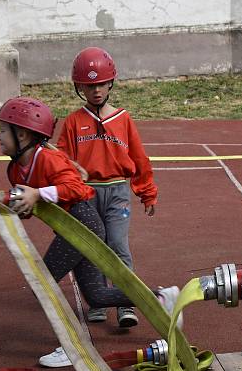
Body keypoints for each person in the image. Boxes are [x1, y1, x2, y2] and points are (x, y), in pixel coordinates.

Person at [0, 97, 180, 368]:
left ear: (22, 134)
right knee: (96, 296)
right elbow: (35, 205)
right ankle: (162, 297)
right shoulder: (15, 169)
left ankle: (71, 345)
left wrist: (37, 193)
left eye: (2, 131)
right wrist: (20, 206)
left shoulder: (47, 159)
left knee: (42, 284)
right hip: (72, 229)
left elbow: (79, 190)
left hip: (82, 226)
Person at [58, 47, 159, 328]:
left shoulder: (123, 119)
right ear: (79, 87)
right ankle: (99, 301)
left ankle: (127, 302)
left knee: (117, 245)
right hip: (85, 194)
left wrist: (147, 192)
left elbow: (139, 159)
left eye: (101, 83)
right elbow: (61, 162)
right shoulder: (72, 122)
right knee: (92, 248)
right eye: (89, 86)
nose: (97, 90)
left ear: (111, 82)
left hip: (117, 193)